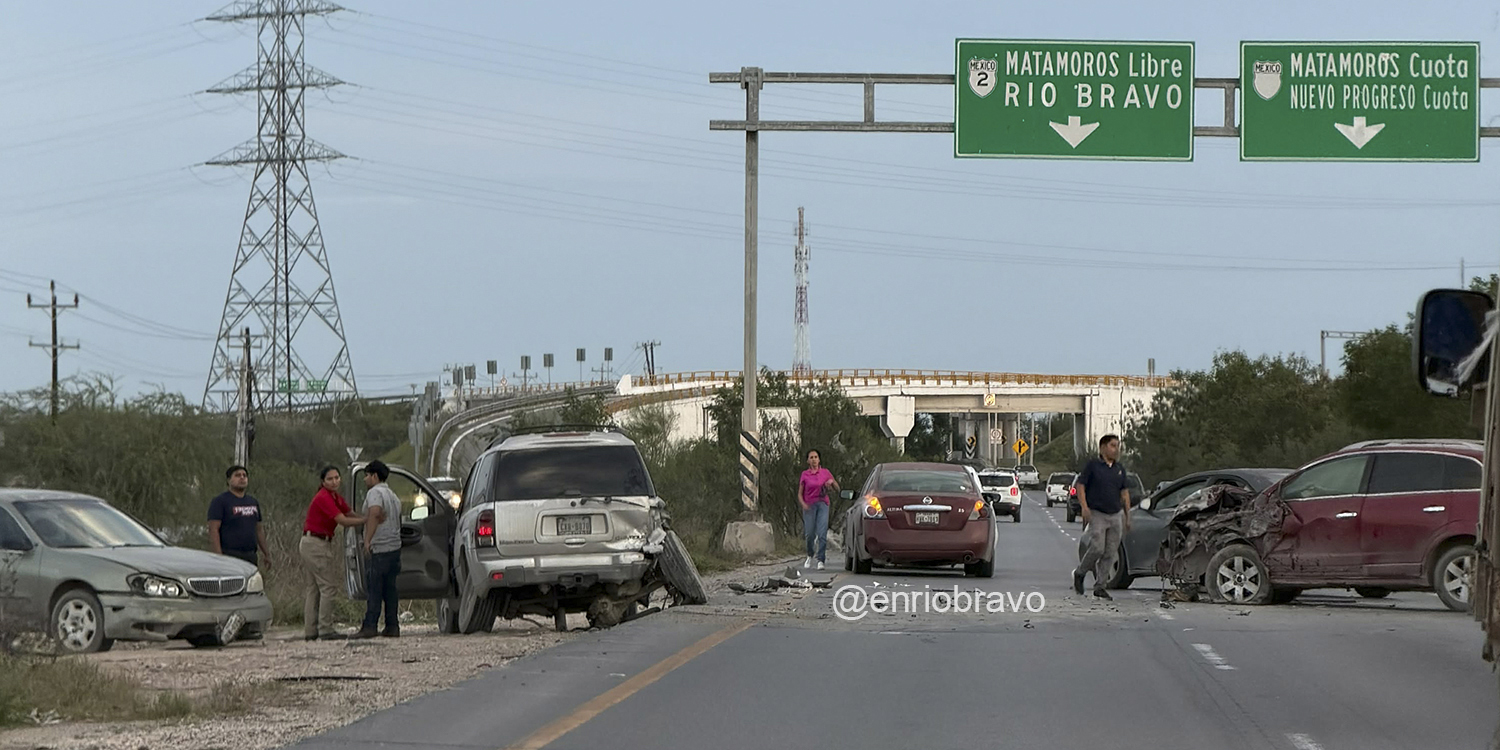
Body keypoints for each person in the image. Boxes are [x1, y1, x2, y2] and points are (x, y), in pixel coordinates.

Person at [300, 466, 364, 641]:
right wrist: (366, 520)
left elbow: (348, 511)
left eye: (337, 477)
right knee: (328, 586)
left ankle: (311, 630)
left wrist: (362, 517)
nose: (334, 481)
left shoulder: (334, 497)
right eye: (330, 479)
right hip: (316, 543)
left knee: (313, 588)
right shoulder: (323, 497)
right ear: (323, 482)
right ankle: (325, 628)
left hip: (312, 542)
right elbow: (342, 520)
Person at [1073, 434, 1132, 600]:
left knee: (1110, 552)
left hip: (1115, 515)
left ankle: (1100, 586)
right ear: (1103, 447)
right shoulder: (1093, 466)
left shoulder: (1119, 469)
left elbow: (1125, 492)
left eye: (1117, 446)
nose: (1116, 449)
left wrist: (1128, 516)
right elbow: (1080, 485)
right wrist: (1084, 507)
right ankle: (1080, 572)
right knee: (1097, 547)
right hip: (1097, 513)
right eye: (1113, 445)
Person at [354, 461, 403, 639]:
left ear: (375, 476)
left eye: (367, 475)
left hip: (380, 548)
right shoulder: (392, 495)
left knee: (374, 588)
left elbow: (375, 513)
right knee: (390, 590)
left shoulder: (375, 493)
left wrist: (367, 540)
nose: (366, 479)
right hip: (394, 548)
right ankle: (392, 625)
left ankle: (370, 625)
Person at [207, 465, 271, 568]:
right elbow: (213, 530)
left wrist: (266, 554)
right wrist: (218, 557)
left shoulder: (253, 502)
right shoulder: (220, 501)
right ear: (229, 480)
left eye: (244, 475)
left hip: (250, 556)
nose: (242, 478)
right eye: (237, 475)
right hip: (229, 555)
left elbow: (259, 530)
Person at [798, 448, 840, 571]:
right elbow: (800, 493)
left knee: (822, 533)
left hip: (822, 504)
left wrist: (832, 482)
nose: (814, 460)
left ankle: (821, 559)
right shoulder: (805, 475)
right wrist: (803, 504)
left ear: (819, 459)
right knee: (810, 534)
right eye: (811, 458)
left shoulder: (825, 472)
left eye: (816, 457)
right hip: (809, 505)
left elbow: (837, 488)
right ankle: (810, 555)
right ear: (808, 461)